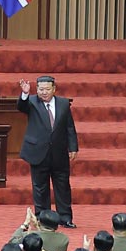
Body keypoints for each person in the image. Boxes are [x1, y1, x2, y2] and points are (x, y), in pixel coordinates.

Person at [18, 76, 79, 227]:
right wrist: (25, 93)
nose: (43, 92)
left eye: (47, 89)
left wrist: (73, 147)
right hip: (38, 151)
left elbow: (69, 127)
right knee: (40, 187)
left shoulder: (64, 104)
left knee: (63, 186)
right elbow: (21, 107)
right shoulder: (31, 101)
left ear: (54, 89)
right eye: (40, 89)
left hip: (59, 152)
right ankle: (43, 218)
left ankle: (65, 217)